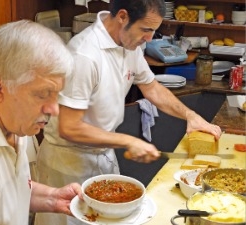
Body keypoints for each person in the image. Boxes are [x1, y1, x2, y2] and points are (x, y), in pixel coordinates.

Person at [36, 0, 222, 224]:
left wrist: (190, 115)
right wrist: (127, 140)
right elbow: (69, 127)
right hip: (68, 164)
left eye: (154, 31)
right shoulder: (84, 55)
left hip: (103, 154)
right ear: (122, 17)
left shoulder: (129, 45)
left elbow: (151, 86)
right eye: (146, 29)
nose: (150, 39)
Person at [0, 20, 83, 225]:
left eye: (56, 95)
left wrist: (53, 197)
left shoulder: (16, 126)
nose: (54, 109)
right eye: (43, 94)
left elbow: (9, 192)